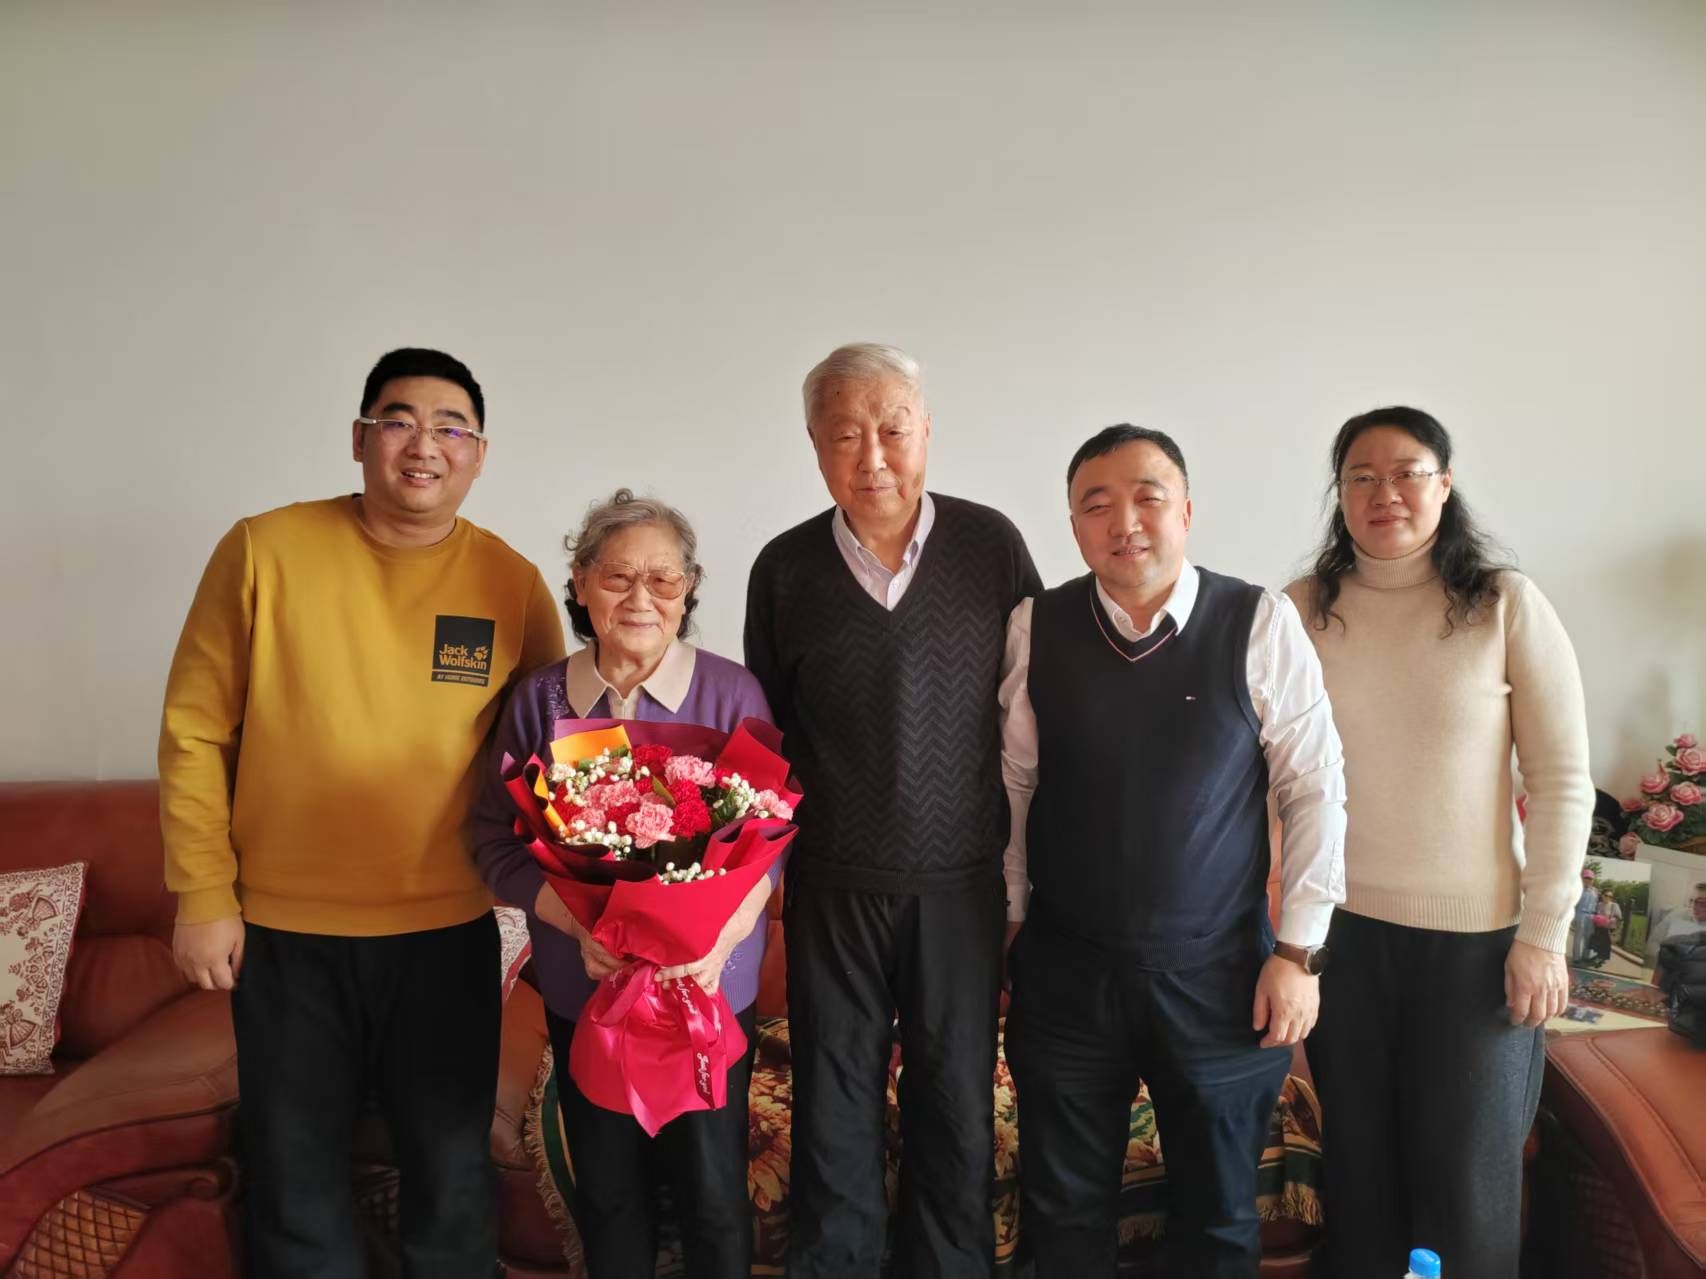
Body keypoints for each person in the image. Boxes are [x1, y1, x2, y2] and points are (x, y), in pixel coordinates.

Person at [159, 348, 567, 1278]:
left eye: (450, 427)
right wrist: (203, 893)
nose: (424, 444)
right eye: (399, 421)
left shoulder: (508, 580)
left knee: (452, 1176)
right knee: (295, 1178)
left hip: (447, 932)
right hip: (285, 931)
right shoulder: (264, 550)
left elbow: (551, 749)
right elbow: (192, 731)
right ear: (359, 438)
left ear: (478, 454)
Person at [1001, 424, 1347, 1278]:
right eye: (1097, 505)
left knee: (1218, 1223)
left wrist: (1299, 952)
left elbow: (1313, 788)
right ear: (1075, 526)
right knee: (1064, 1219)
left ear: (1186, 510)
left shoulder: (1256, 621)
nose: (1125, 522)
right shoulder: (1039, 625)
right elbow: (1012, 786)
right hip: (1067, 975)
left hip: (1220, 977)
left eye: (1147, 497)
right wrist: (1008, 920)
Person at [744, 343, 1041, 1277]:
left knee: (954, 1106)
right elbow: (768, 741)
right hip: (833, 884)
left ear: (927, 433)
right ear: (814, 444)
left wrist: (1025, 881)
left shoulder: (991, 546)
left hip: (961, 883)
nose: (871, 457)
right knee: (833, 1104)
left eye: (892, 429)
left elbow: (1030, 714)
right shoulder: (784, 567)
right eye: (844, 434)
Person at [1287, 406, 1592, 1279]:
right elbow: (1271, 776)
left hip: (1475, 950)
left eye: (1408, 472)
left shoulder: (1503, 603)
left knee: (1466, 1194)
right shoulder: (1303, 610)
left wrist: (1544, 934)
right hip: (1341, 940)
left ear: (1445, 484)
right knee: (1361, 1182)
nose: (1385, 492)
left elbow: (1563, 779)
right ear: (1340, 493)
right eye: (1362, 476)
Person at [473, 489, 775, 1278]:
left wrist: (715, 943)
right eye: (617, 577)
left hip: (705, 992)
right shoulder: (541, 700)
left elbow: (771, 840)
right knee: (609, 1194)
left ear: (689, 588)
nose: (642, 598)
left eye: (664, 579)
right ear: (579, 582)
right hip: (588, 990)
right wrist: (579, 926)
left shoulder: (732, 693)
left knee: (713, 1194)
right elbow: (495, 842)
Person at [1570, 867, 1598, 964]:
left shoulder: (1595, 891)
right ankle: (1576, 957)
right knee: (1578, 937)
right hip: (1580, 914)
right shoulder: (1578, 889)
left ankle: (1586, 956)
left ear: (1593, 880)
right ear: (1582, 878)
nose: (1588, 880)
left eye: (1590, 878)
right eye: (1586, 878)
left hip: (1591, 916)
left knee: (1588, 937)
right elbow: (1573, 904)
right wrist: (1573, 918)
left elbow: (1596, 904)